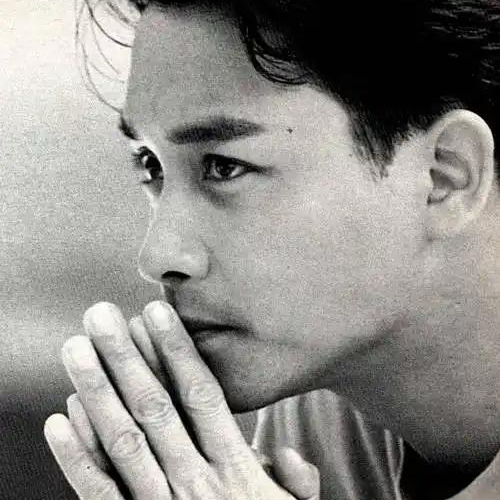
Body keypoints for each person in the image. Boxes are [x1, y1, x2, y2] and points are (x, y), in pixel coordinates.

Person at [43, 0, 500, 498]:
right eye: (151, 165)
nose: (158, 258)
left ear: (444, 176)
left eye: (224, 166)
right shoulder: (322, 410)